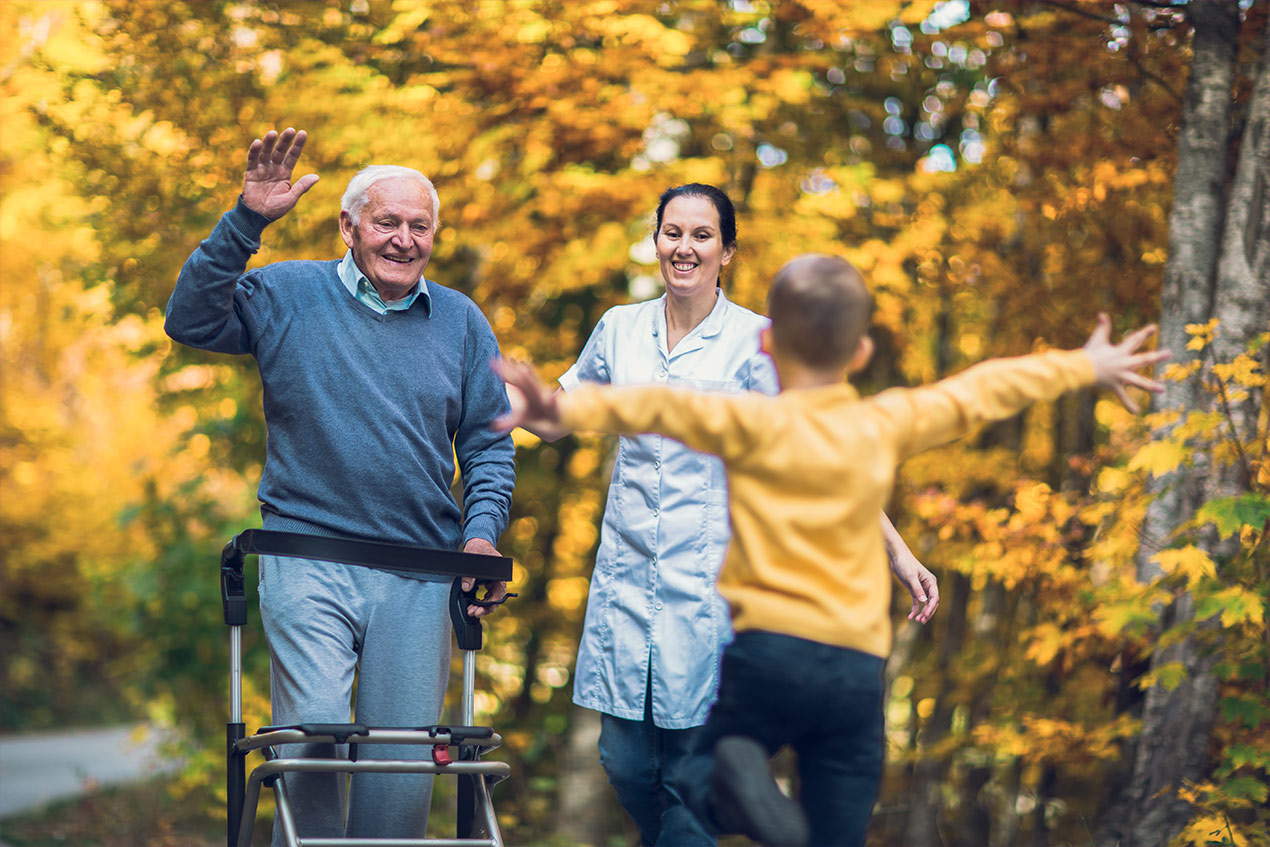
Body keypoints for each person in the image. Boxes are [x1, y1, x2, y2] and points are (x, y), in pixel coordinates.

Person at [494, 254, 1169, 847]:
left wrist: (556, 413)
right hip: (852, 667)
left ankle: (741, 791)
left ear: (764, 342)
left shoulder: (744, 419)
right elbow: (981, 390)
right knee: (838, 824)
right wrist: (1085, 364)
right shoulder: (882, 423)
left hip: (766, 655)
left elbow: (647, 408)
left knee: (698, 772)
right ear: (862, 353)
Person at [513, 184, 938, 847]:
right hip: (627, 583)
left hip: (713, 591)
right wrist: (522, 398)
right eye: (672, 233)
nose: (684, 248)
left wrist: (895, 549)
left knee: (689, 772)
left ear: (727, 251)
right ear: (655, 240)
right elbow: (557, 419)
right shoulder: (618, 328)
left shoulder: (759, 342)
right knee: (623, 761)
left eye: (702, 235)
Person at [164, 127, 515, 843]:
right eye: (387, 222)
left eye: (421, 225)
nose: (404, 238)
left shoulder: (461, 321)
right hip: (307, 553)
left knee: (403, 762)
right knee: (314, 740)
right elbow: (190, 318)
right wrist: (247, 221)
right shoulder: (285, 290)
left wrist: (481, 533)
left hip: (422, 568)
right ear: (348, 226)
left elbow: (487, 442)